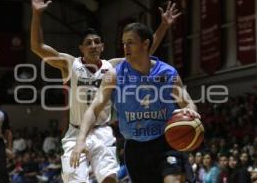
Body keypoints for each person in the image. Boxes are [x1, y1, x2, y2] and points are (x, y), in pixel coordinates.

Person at [30, 0, 181, 183]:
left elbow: (146, 49)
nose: (93, 45)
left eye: (97, 42)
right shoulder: (69, 64)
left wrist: (163, 26)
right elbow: (37, 47)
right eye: (89, 43)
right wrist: (36, 14)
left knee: (110, 179)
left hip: (102, 130)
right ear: (81, 48)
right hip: (76, 131)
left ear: (102, 46)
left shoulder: (114, 67)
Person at [70, 23, 200, 183]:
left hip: (166, 141)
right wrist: (80, 140)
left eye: (130, 42)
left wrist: (191, 112)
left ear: (145, 44)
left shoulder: (167, 73)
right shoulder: (114, 75)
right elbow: (93, 110)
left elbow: (188, 103)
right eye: (124, 43)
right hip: (135, 147)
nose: (125, 47)